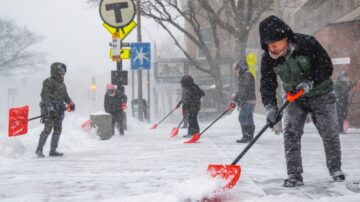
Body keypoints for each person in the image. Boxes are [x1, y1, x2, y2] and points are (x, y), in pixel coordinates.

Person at [259, 15, 345, 187]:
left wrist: (311, 81)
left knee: (329, 132)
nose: (273, 48)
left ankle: (335, 168)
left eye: (275, 44)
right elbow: (267, 84)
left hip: (321, 93)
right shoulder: (268, 58)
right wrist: (270, 107)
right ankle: (294, 175)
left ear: (285, 38)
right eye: (269, 45)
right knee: (290, 133)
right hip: (294, 97)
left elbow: (326, 65)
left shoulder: (307, 43)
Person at [36, 62, 75, 158]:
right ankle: (39, 149)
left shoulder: (62, 84)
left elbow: (66, 96)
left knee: (58, 129)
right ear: (55, 71)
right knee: (48, 128)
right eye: (60, 71)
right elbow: (45, 96)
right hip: (49, 110)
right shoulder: (48, 82)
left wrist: (71, 103)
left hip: (59, 110)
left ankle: (53, 150)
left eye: (63, 71)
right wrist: (50, 108)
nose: (62, 73)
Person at [232, 59, 256, 143]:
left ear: (241, 67)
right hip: (249, 100)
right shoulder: (244, 76)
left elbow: (245, 90)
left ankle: (247, 136)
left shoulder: (246, 75)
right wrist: (236, 98)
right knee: (249, 118)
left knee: (242, 117)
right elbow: (241, 90)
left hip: (248, 101)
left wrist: (240, 99)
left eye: (236, 68)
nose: (235, 70)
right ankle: (250, 137)